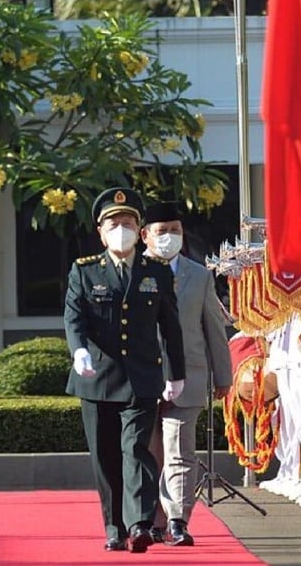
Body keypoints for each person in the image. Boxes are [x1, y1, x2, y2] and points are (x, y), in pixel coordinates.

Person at [64, 187, 186, 554]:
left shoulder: (156, 271)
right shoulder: (84, 271)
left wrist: (176, 372)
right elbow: (74, 317)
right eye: (114, 223)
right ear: (101, 231)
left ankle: (140, 523)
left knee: (136, 449)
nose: (122, 229)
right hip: (97, 379)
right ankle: (113, 527)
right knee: (106, 457)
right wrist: (79, 351)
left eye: (129, 222)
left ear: (139, 229)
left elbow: (171, 325)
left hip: (143, 377)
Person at [141, 201, 233, 547]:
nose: (169, 237)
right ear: (145, 235)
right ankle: (153, 519)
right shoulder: (133, 272)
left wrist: (223, 377)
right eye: (161, 231)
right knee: (150, 453)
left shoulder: (199, 275)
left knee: (180, 450)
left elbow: (213, 329)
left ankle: (178, 520)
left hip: (190, 375)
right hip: (144, 378)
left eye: (175, 230)